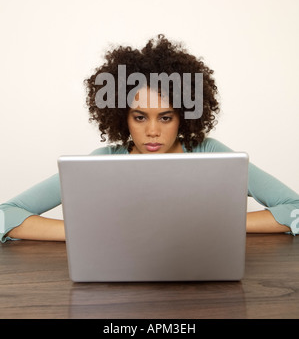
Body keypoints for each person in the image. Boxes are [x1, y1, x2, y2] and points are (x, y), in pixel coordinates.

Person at [1, 34, 299, 242]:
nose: (153, 131)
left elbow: (293, 208)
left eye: (166, 117)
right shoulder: (101, 163)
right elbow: (6, 215)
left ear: (183, 116)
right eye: (140, 117)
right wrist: (87, 232)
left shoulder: (210, 153)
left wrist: (211, 227)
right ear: (122, 117)